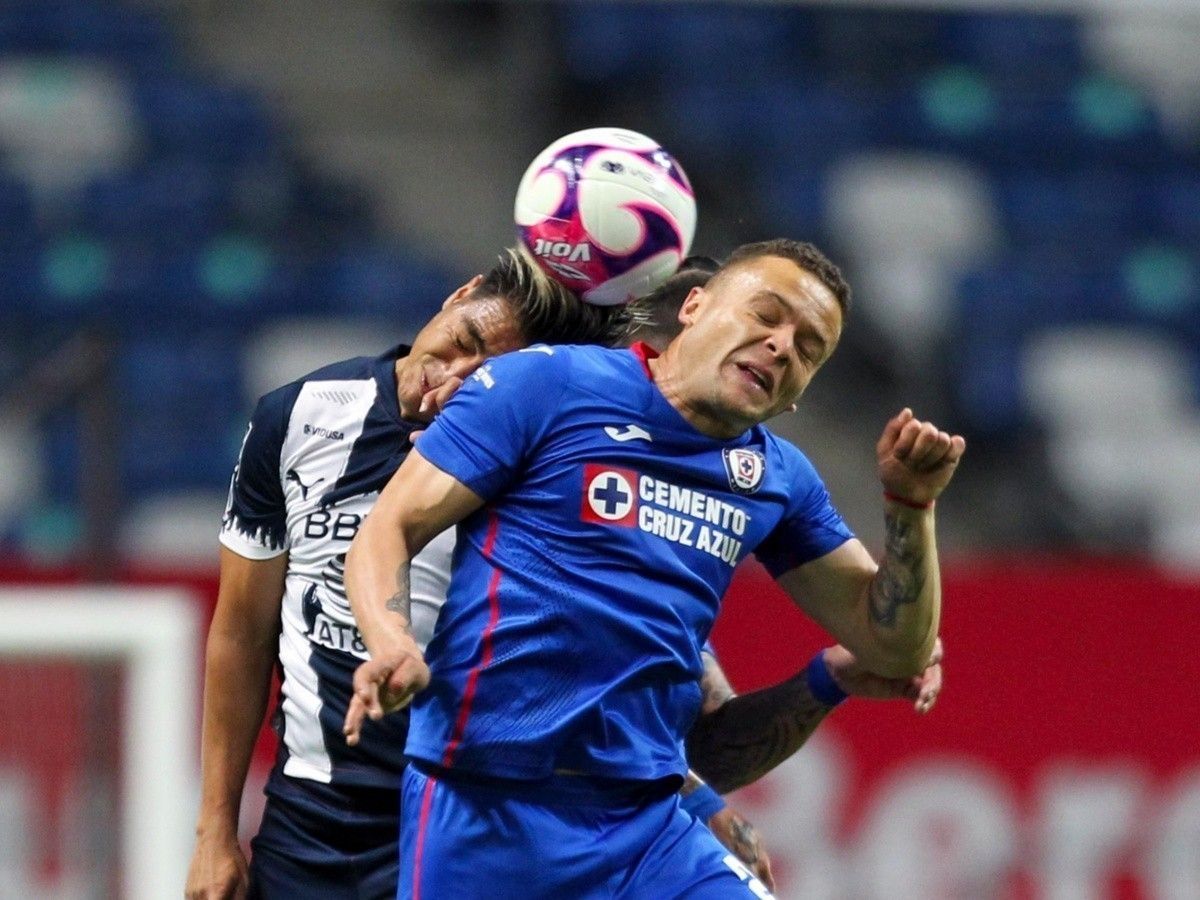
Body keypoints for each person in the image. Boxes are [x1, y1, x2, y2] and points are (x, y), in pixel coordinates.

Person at [185, 247, 940, 900]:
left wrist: (907, 515)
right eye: (768, 316)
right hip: (390, 819)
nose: (452, 383)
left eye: (808, 346)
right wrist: (216, 827)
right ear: (696, 305)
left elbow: (682, 700)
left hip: (625, 821)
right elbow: (267, 618)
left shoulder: (758, 480)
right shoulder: (483, 400)